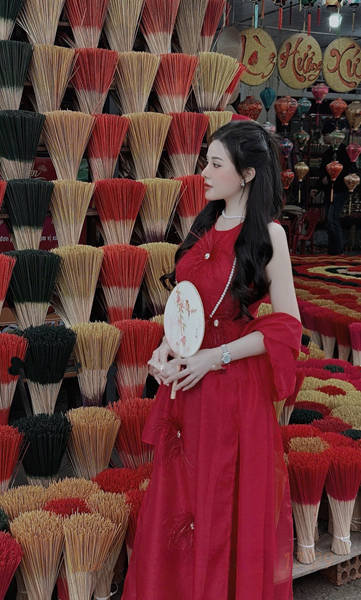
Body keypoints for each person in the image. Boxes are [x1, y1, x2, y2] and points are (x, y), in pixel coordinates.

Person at [122, 121, 302, 600]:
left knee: (221, 505)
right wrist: (167, 347)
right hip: (187, 387)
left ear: (246, 173)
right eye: (207, 161)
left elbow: (287, 326)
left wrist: (215, 356)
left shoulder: (268, 235)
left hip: (232, 390)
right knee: (181, 505)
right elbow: (189, 306)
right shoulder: (203, 224)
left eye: (215, 163)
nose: (203, 172)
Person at [310, 120, 351, 255]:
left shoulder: (344, 151)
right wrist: (317, 188)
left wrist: (332, 177)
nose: (324, 138)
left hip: (340, 190)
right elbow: (322, 172)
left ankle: (338, 251)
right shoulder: (328, 153)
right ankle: (332, 251)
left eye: (325, 135)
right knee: (328, 220)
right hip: (329, 190)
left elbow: (347, 171)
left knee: (333, 219)